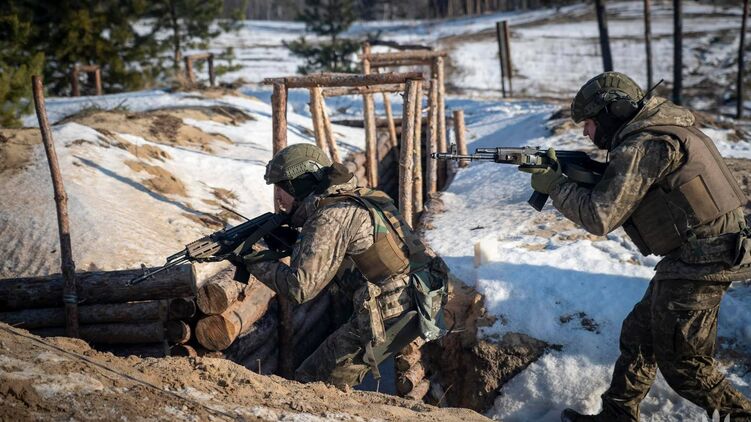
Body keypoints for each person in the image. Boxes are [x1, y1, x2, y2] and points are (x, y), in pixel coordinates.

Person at [519, 72, 751, 421]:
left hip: (704, 259)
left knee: (685, 365)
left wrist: (555, 185)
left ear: (614, 111)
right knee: (639, 334)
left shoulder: (645, 145)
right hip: (696, 255)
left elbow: (600, 217)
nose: (586, 132)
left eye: (590, 123)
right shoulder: (664, 130)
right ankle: (618, 414)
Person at [242, 143, 448, 388]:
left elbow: (300, 288)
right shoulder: (355, 197)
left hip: (396, 307)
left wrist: (252, 259)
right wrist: (296, 242)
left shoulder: (330, 216)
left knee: (313, 380)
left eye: (282, 187)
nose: (277, 197)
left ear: (302, 184)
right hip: (421, 293)